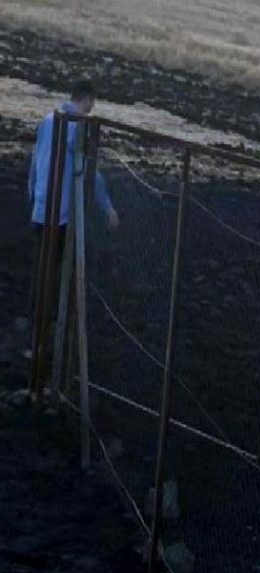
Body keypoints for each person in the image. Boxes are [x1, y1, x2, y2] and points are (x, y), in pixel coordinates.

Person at [26, 79, 118, 362]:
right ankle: (53, 344)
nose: (91, 110)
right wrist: (108, 208)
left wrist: (34, 197)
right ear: (86, 99)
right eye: (91, 103)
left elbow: (34, 164)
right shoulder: (75, 128)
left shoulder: (47, 121)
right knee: (59, 278)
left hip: (42, 209)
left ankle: (38, 341)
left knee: (43, 276)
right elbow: (90, 172)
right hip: (61, 215)